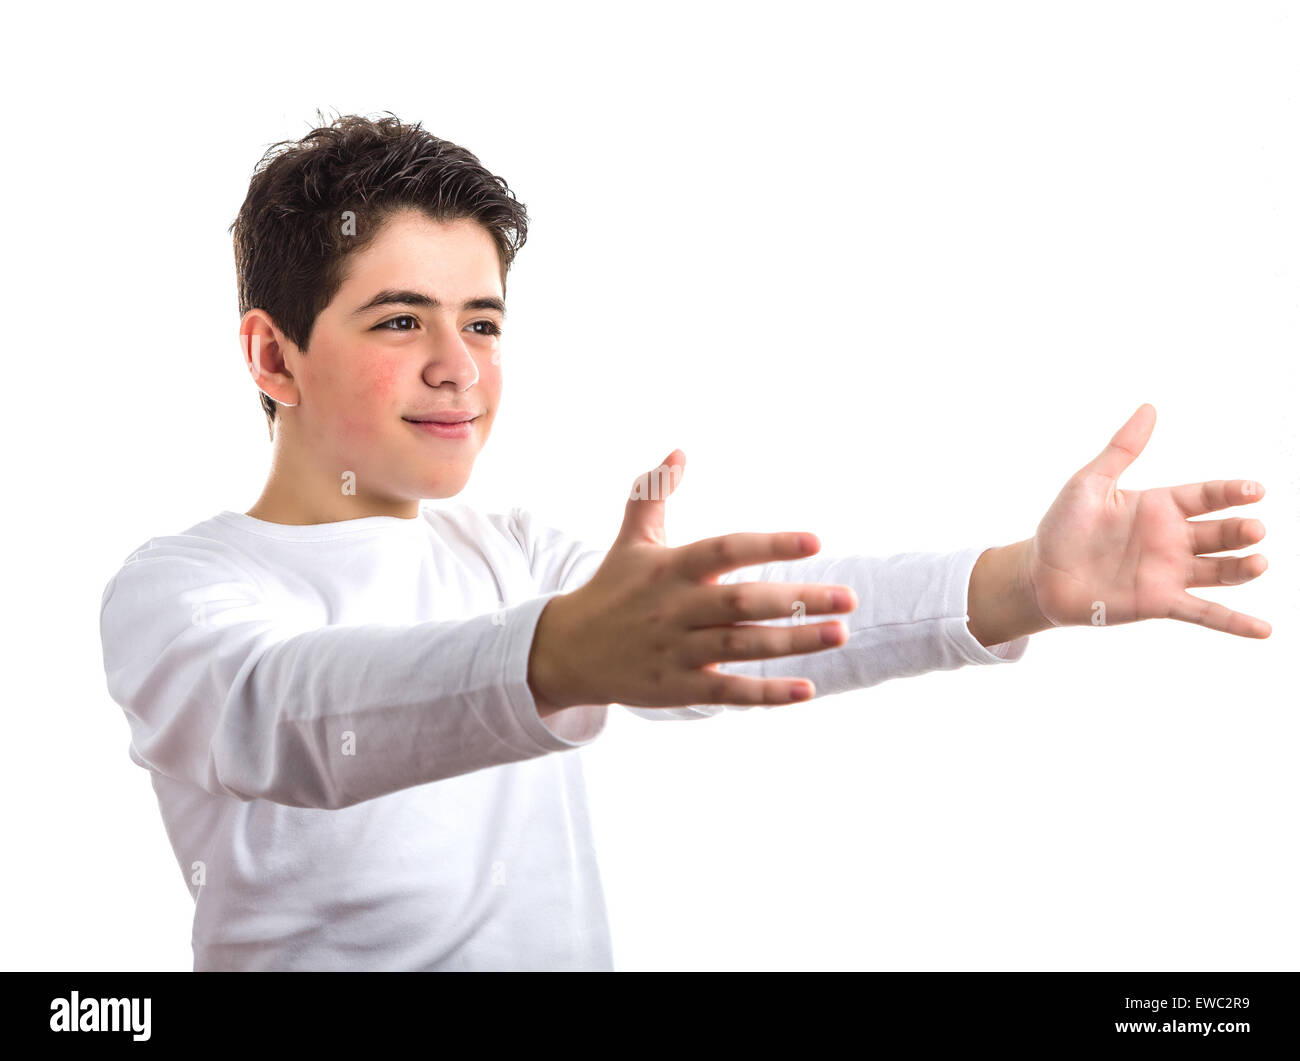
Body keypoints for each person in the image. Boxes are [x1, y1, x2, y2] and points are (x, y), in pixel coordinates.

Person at [98, 111, 1270, 971]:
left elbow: (749, 617)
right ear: (272, 356)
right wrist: (555, 657)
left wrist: (1021, 582)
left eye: (484, 321)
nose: (458, 365)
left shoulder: (514, 552)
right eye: (400, 320)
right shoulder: (185, 587)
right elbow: (289, 715)